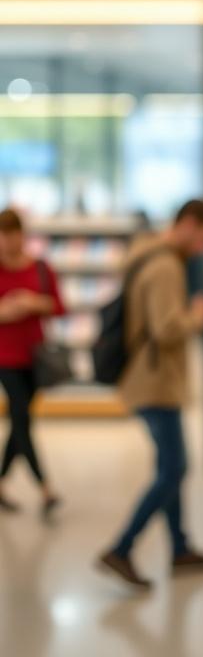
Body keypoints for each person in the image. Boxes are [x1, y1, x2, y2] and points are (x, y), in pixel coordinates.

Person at [96, 199, 203, 592]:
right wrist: (199, 316)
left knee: (171, 466)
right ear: (187, 224)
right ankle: (121, 548)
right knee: (174, 469)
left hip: (150, 379)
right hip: (155, 382)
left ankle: (180, 548)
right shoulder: (165, 267)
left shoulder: (151, 256)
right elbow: (166, 328)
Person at [0, 207, 64, 517]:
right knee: (22, 417)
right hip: (5, 356)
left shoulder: (40, 267)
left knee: (20, 420)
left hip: (34, 354)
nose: (9, 243)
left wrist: (32, 302)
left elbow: (58, 305)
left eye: (13, 235)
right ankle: (45, 488)